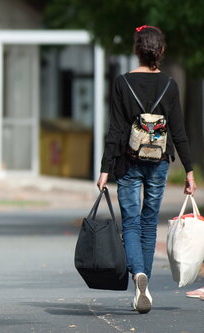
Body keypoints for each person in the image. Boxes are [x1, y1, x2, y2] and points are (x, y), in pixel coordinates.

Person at [96, 25, 196, 314]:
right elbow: (179, 132)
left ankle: (137, 274)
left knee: (130, 222)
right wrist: (189, 171)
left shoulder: (122, 83)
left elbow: (115, 130)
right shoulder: (170, 84)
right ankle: (146, 284)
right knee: (149, 223)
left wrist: (105, 168)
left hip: (128, 163)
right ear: (161, 51)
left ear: (135, 50)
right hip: (158, 163)